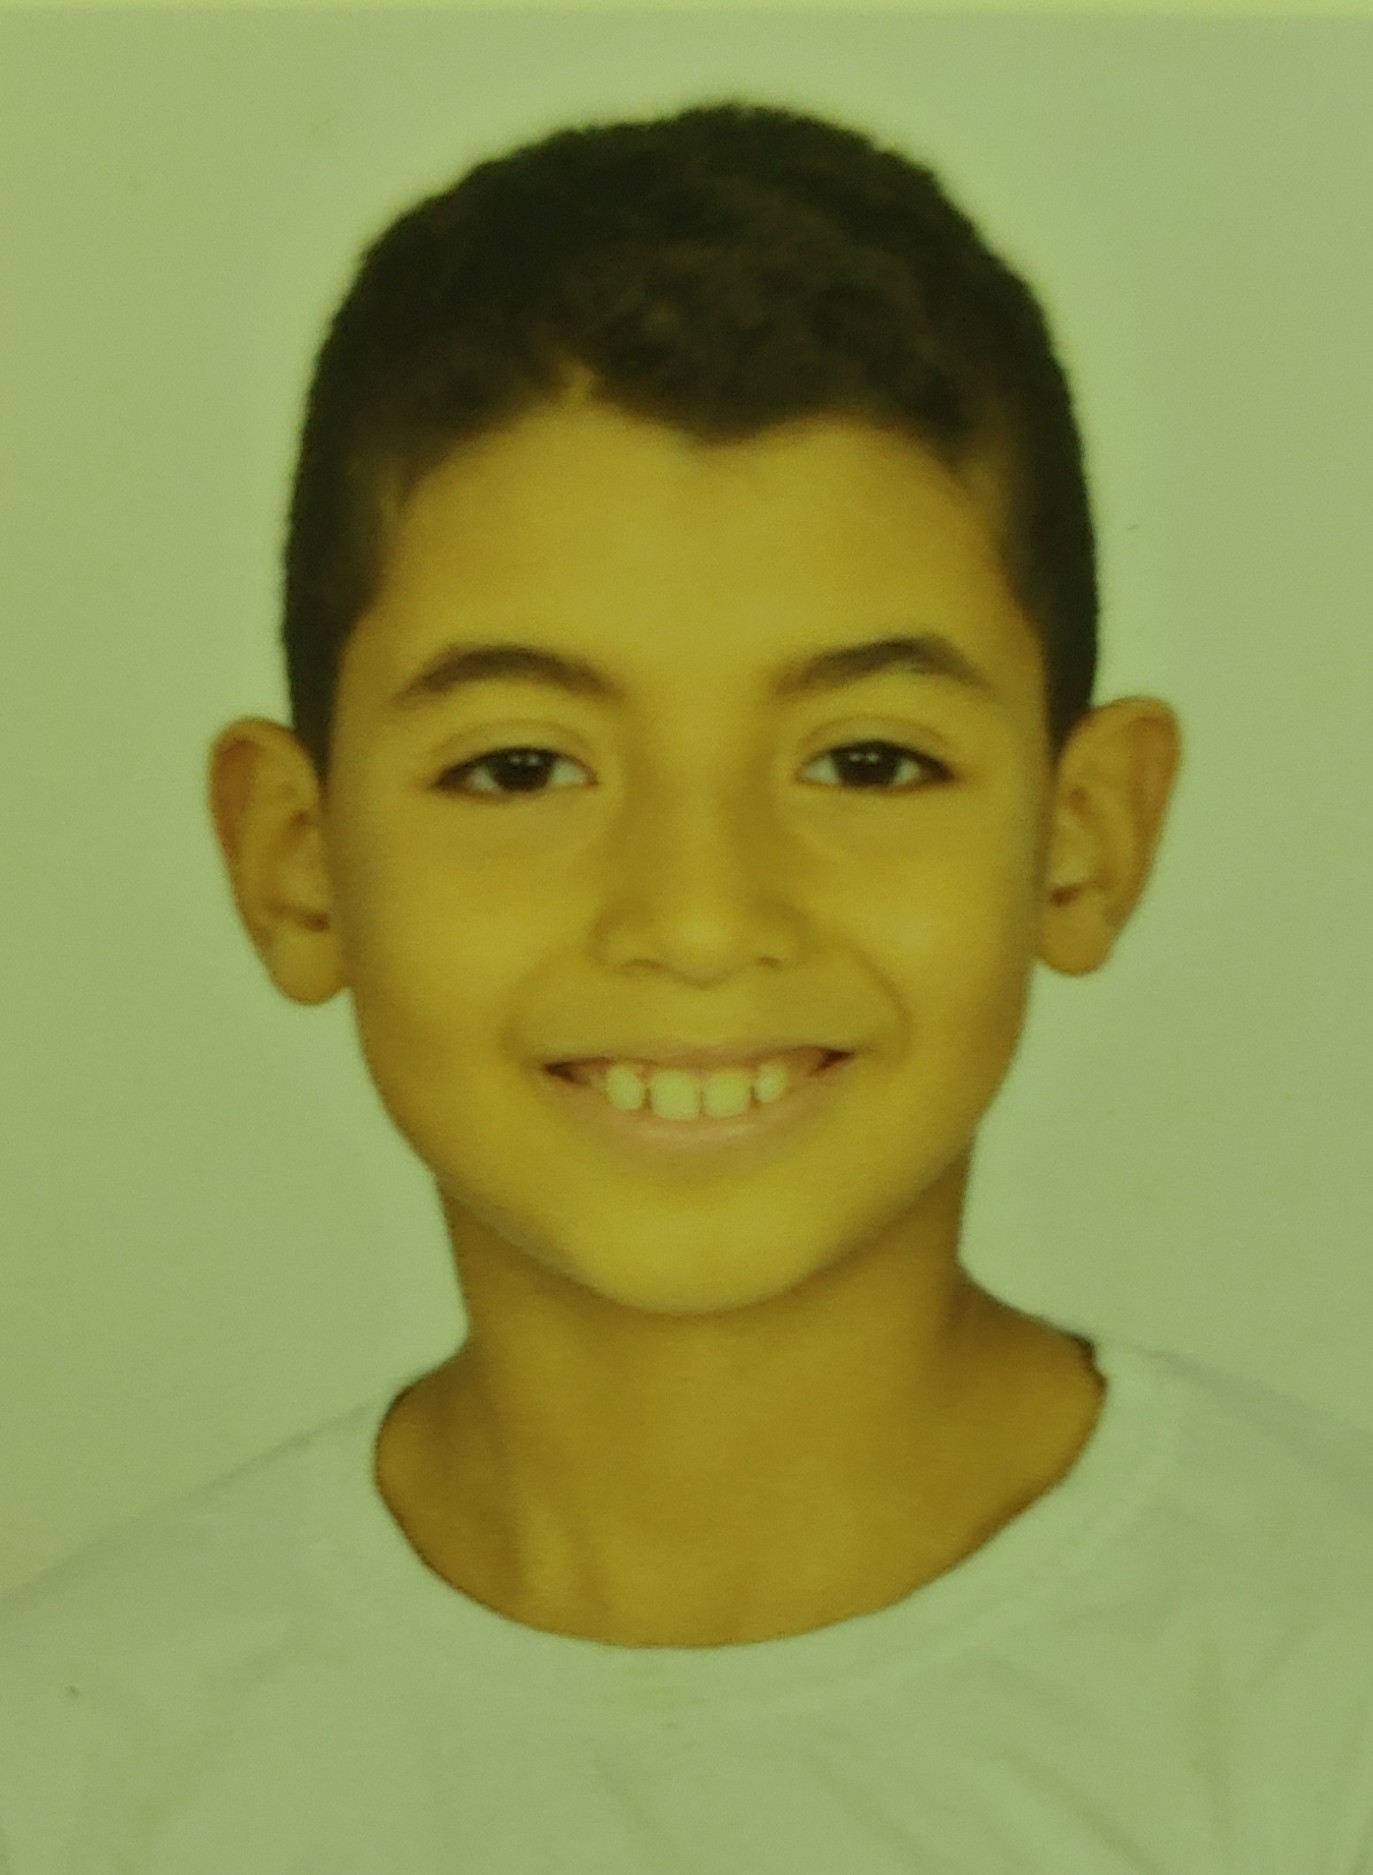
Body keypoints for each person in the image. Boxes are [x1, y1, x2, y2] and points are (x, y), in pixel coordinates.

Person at [3, 97, 1371, 1872]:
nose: (701, 918)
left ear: (1082, 836)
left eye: (866, 761)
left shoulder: (1320, 1693)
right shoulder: (75, 1764)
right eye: (520, 768)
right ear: (294, 859)